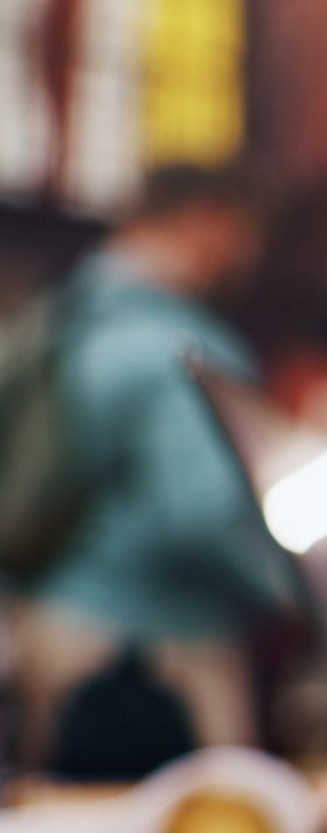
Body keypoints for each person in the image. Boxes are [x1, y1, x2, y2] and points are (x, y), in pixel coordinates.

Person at [9, 164, 284, 776]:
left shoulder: (63, 322)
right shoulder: (181, 345)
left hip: (53, 622)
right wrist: (291, 589)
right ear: (208, 223)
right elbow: (198, 514)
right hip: (159, 647)